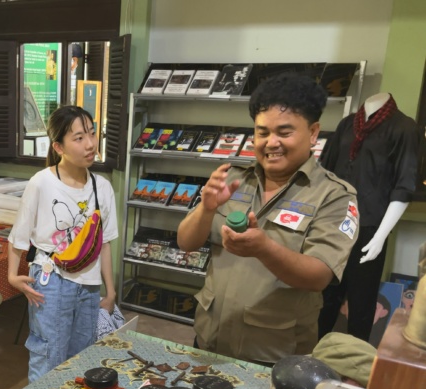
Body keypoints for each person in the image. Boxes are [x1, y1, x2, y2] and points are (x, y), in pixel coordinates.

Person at [177, 73, 358, 365]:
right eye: (262, 132)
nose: (271, 143)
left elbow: (319, 276)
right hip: (208, 340)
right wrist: (206, 208)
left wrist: (264, 248)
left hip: (275, 355)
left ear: (313, 133)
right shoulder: (233, 178)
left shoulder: (334, 196)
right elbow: (185, 241)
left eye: (284, 133)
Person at [8, 105, 118, 383]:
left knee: (81, 357)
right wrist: (12, 276)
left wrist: (111, 290)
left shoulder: (102, 187)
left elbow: (104, 244)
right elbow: (19, 236)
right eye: (79, 138)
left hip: (89, 285)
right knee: (48, 355)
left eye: (92, 134)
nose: (90, 144)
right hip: (51, 279)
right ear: (58, 146)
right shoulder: (41, 183)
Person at [318, 92, 419, 342]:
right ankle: (309, 354)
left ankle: (354, 367)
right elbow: (324, 170)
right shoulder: (347, 125)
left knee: (362, 304)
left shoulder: (405, 128)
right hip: (332, 225)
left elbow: (404, 185)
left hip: (370, 228)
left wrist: (380, 237)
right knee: (322, 298)